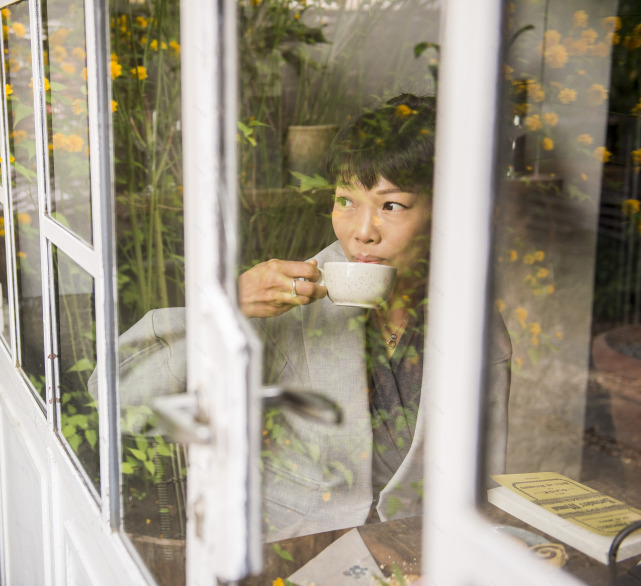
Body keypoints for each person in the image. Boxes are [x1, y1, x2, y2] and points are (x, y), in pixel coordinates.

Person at [108, 94, 511, 542]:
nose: (362, 230)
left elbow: (481, 475)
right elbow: (114, 393)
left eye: (391, 205)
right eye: (345, 200)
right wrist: (225, 306)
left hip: (421, 550)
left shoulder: (472, 321)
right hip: (294, 543)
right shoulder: (286, 301)